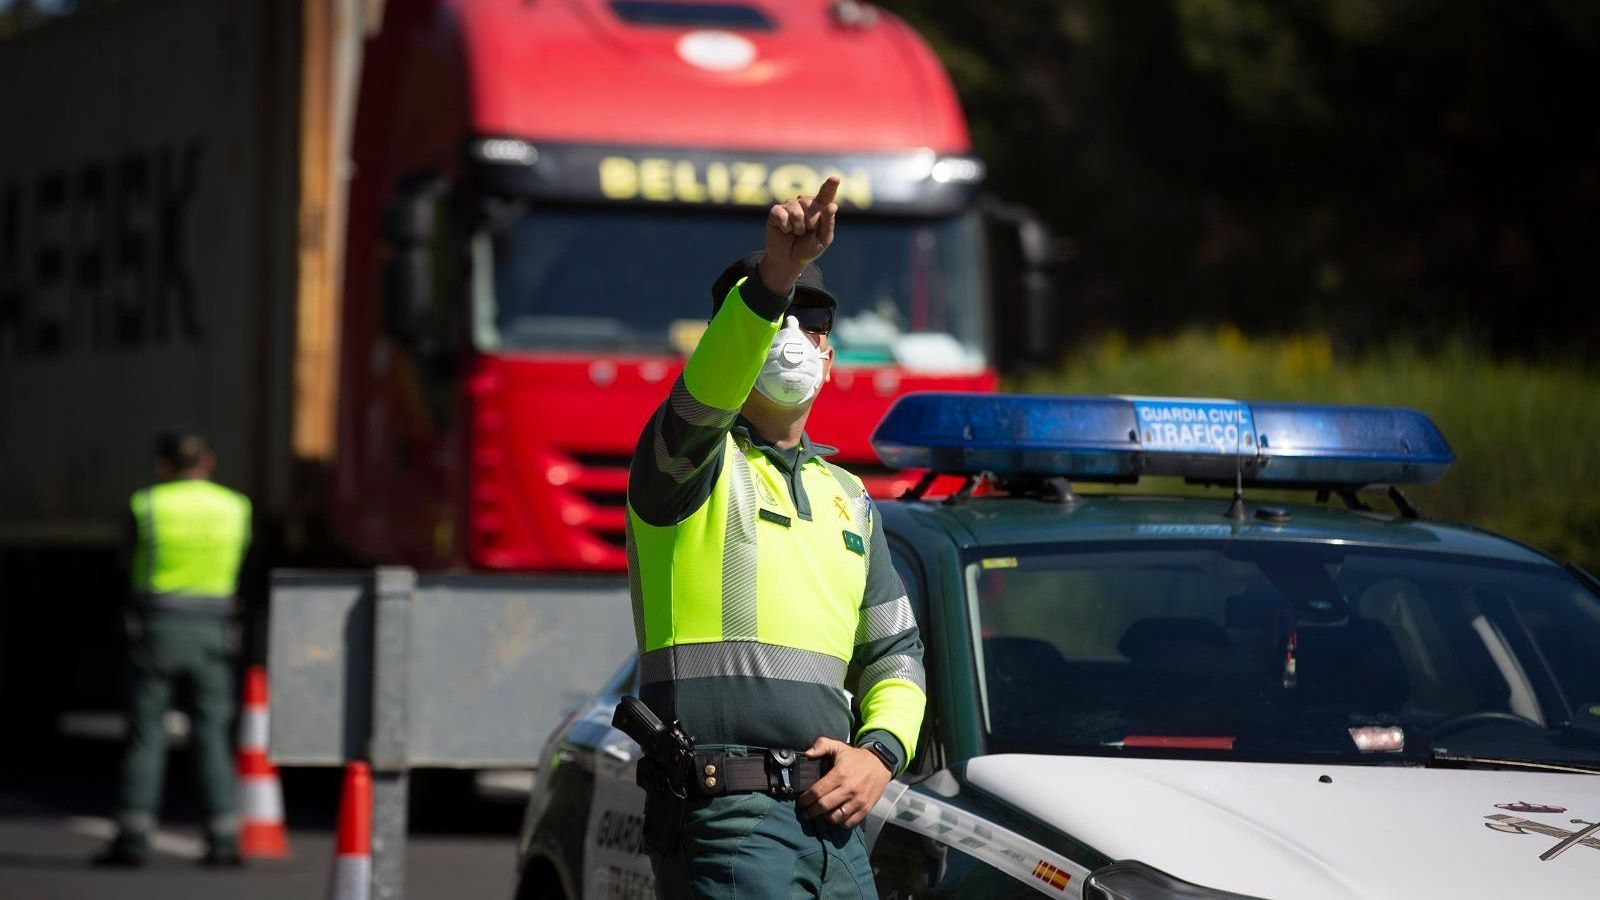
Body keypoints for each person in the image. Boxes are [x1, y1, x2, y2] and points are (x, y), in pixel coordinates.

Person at [625, 177, 927, 898]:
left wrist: (879, 755)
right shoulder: (686, 466)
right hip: (726, 817)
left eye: (811, 321)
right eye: (776, 320)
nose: (793, 335)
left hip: (833, 823)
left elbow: (897, 656)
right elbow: (704, 398)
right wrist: (774, 280)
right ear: (730, 343)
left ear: (830, 356)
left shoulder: (849, 499)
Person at [93, 434, 252, 868]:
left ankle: (132, 837)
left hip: (158, 627)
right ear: (209, 462)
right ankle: (223, 838)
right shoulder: (235, 507)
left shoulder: (148, 504)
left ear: (163, 465)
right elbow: (245, 564)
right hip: (214, 630)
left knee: (147, 733)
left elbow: (126, 562)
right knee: (212, 734)